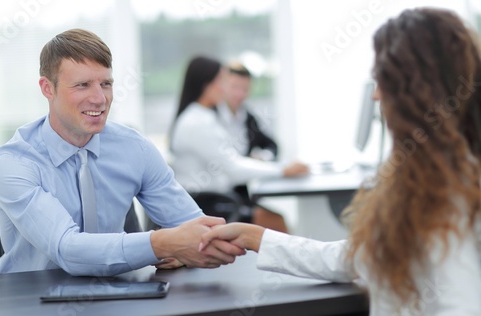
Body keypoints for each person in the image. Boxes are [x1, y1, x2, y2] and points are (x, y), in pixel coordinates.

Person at [200, 8, 481, 315]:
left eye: (381, 80)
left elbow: (460, 305)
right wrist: (257, 237)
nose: (375, 97)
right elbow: (359, 258)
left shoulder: (451, 193)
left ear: (415, 91)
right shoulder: (426, 179)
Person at [0, 29, 245, 276]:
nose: (99, 98)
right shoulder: (11, 164)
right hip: (31, 301)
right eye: (83, 85)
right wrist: (163, 244)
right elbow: (67, 249)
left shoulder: (134, 148)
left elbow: (196, 228)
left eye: (106, 83)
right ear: (47, 88)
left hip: (120, 293)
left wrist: (204, 243)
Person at [170, 56, 309, 233]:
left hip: (218, 199)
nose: (225, 87)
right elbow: (232, 168)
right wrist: (283, 170)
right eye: (221, 81)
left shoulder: (204, 117)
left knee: (274, 221)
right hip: (207, 204)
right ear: (206, 84)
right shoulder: (196, 123)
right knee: (275, 222)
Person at [217, 61, 278, 161]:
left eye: (245, 89)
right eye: (234, 87)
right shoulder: (211, 116)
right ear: (223, 85)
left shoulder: (247, 117)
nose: (239, 94)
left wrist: (263, 156)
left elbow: (271, 145)